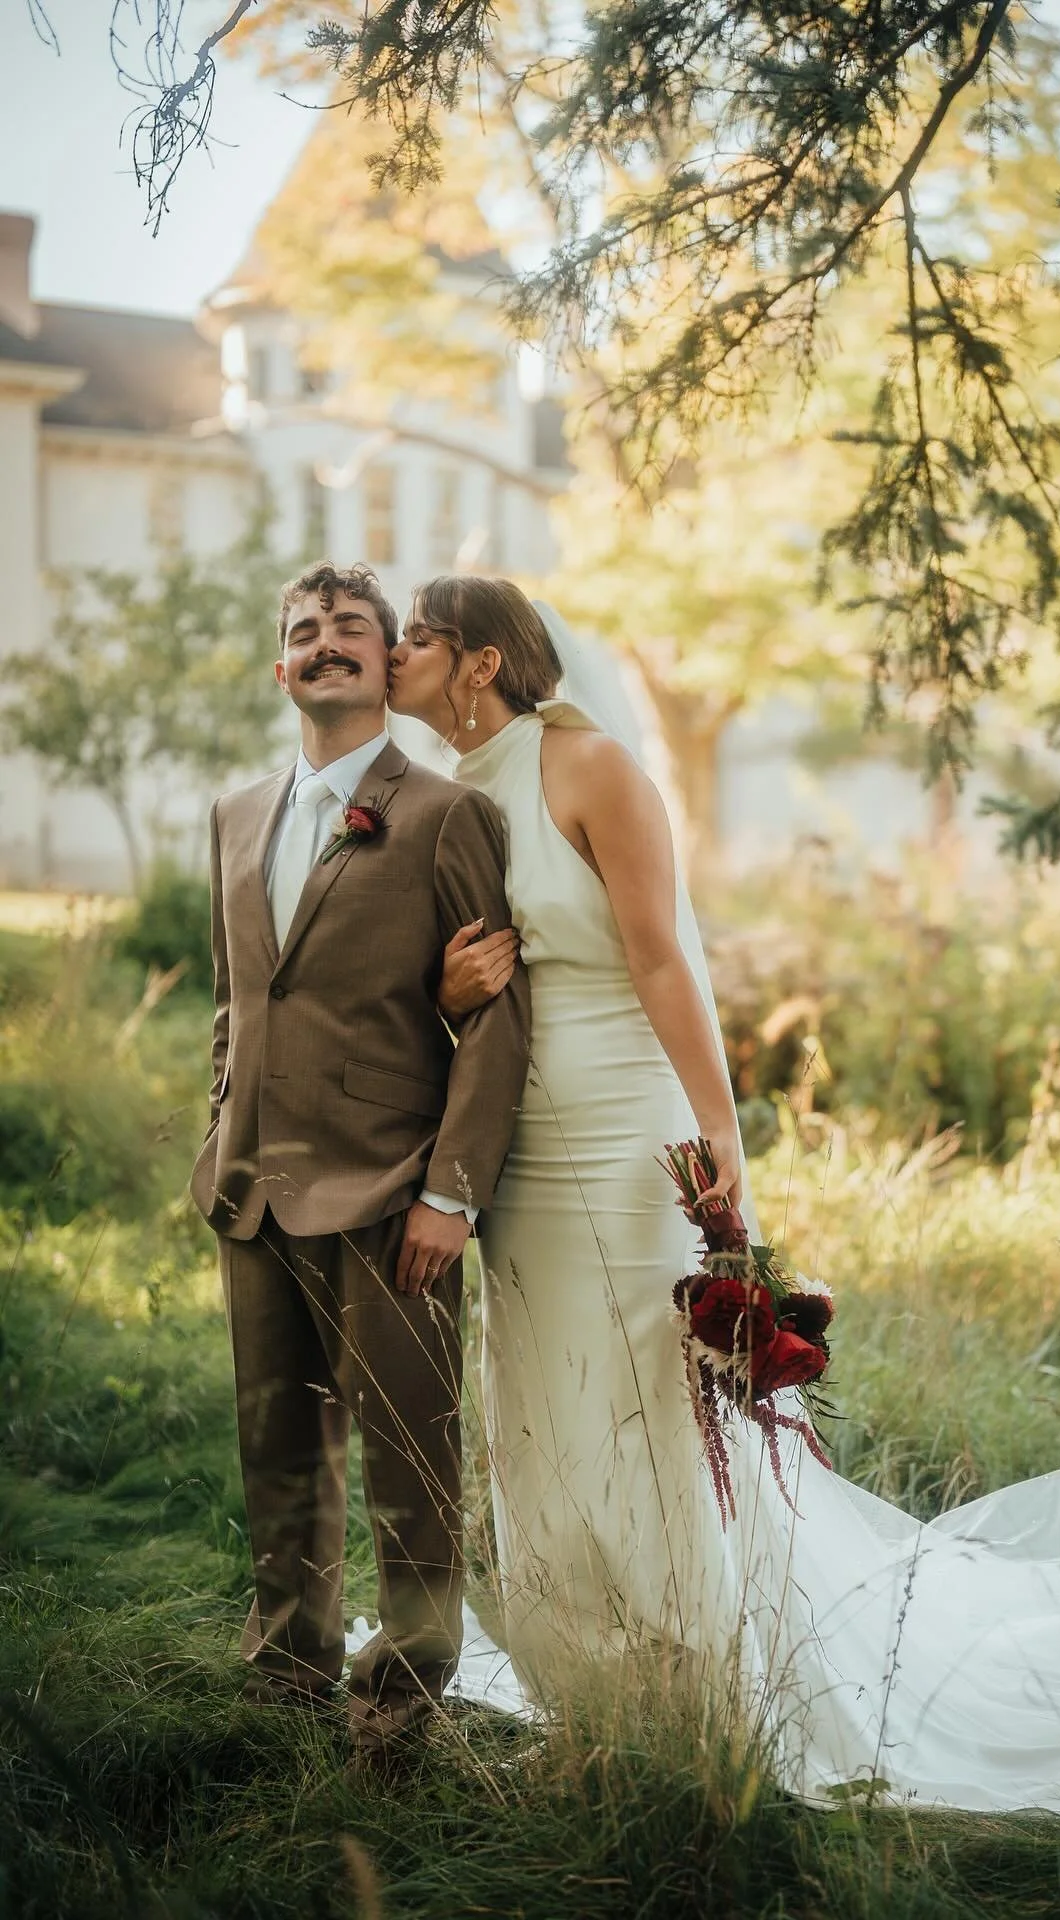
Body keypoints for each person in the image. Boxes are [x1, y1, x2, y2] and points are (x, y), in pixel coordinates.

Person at [385, 573, 1060, 1814]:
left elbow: (662, 956)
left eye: (415, 636)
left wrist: (718, 1131)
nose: (395, 654)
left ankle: (716, 1677)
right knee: (542, 1396)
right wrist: (451, 999)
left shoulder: (595, 768)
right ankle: (594, 1672)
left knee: (648, 1400)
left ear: (483, 660)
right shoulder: (455, 794)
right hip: (523, 1149)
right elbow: (485, 980)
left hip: (626, 1134)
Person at [191, 561, 530, 1755]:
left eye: (350, 629)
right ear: (281, 668)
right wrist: (218, 1132)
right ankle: (287, 1669)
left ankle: (402, 1702)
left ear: (389, 662)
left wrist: (451, 1191)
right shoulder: (235, 814)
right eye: (304, 631)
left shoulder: (445, 815)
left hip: (394, 1197)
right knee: (280, 1451)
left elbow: (496, 1020)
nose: (325, 644)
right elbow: (240, 1003)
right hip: (255, 1193)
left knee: (409, 1460)